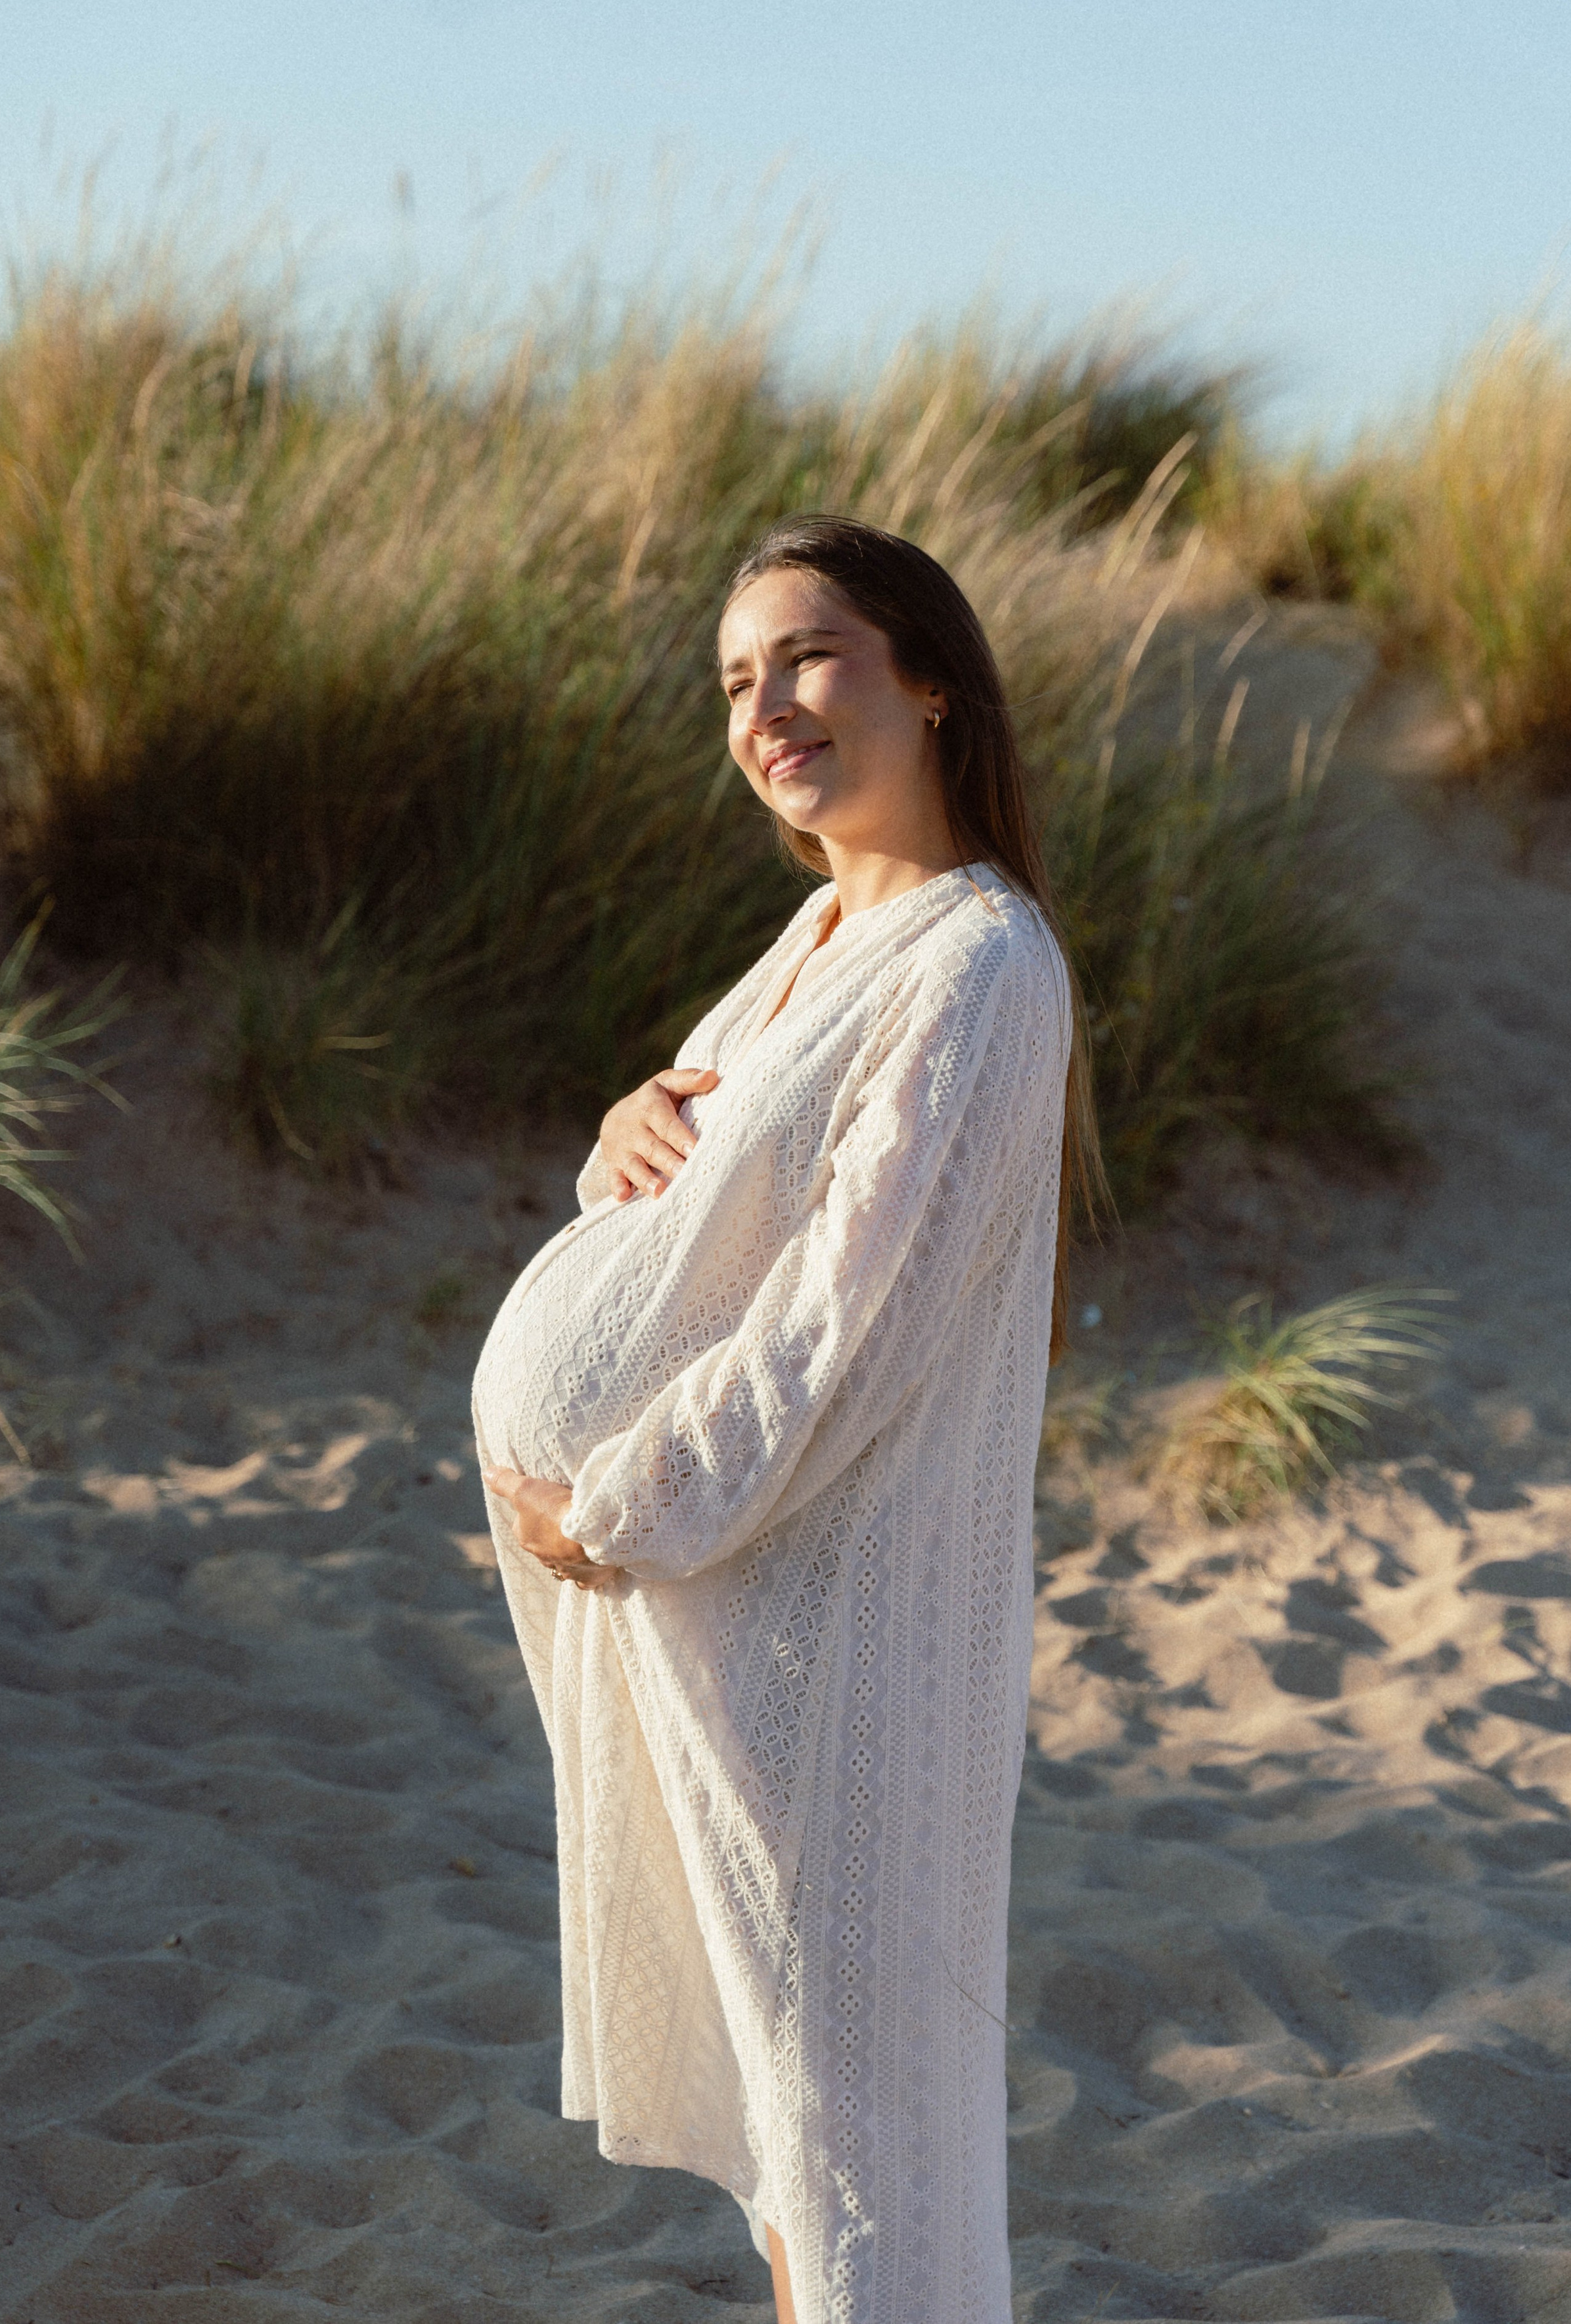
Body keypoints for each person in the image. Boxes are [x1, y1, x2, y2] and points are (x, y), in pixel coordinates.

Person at [472, 514, 1096, 2324]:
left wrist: (616, 1509)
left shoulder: (980, 966)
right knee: (787, 2128)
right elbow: (713, 1230)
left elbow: (841, 1327)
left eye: (810, 657)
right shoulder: (817, 934)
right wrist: (618, 1146)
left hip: (828, 1643)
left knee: (857, 2148)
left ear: (933, 680)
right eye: (738, 680)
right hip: (727, 1618)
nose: (767, 709)